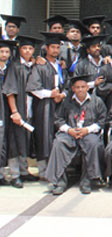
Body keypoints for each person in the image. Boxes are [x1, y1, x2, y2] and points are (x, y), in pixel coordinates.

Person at [46, 75, 107, 195]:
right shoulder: (66, 102)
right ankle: (60, 181)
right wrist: (69, 130)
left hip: (88, 133)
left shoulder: (97, 101)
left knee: (93, 143)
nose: (80, 90)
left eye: (83, 87)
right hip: (70, 133)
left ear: (87, 87)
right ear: (73, 88)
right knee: (59, 143)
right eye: (77, 87)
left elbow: (102, 121)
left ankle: (86, 181)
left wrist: (87, 130)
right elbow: (58, 119)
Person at [26, 32, 68, 180]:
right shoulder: (40, 66)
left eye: (57, 47)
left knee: (57, 135)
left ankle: (57, 168)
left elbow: (67, 85)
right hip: (43, 106)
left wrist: (62, 95)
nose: (55, 50)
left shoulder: (60, 66)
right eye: (53, 47)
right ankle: (44, 171)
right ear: (46, 48)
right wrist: (51, 94)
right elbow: (33, 88)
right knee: (43, 136)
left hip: (59, 106)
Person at [2, 36, 41, 188]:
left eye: (30, 48)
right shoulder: (15, 66)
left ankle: (24, 171)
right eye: (24, 48)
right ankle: (15, 174)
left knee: (25, 140)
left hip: (30, 109)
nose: (27, 51)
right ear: (19, 50)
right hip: (19, 109)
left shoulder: (35, 66)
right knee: (15, 141)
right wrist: (14, 112)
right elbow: (10, 91)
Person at [0, 39, 14, 185]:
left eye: (7, 52)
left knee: (3, 141)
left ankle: (1, 174)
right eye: (2, 51)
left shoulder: (10, 69)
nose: (4, 54)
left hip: (6, 108)